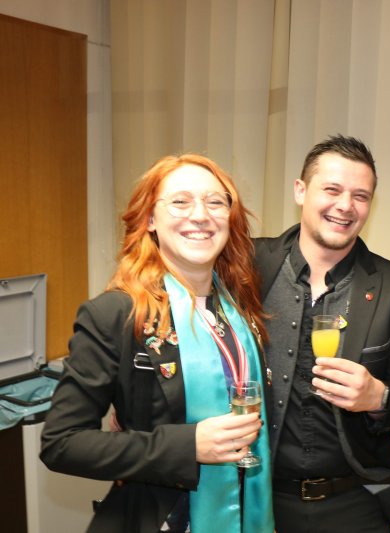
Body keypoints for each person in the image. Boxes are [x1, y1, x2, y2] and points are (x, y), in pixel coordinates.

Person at [40, 154, 273, 532]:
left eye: (215, 202)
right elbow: (62, 443)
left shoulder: (240, 310)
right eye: (180, 201)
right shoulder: (116, 314)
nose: (200, 215)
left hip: (246, 512)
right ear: (150, 219)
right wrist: (187, 446)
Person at [253, 135, 390, 532]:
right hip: (258, 496)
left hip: (354, 501)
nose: (346, 205)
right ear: (301, 191)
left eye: (360, 196)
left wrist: (378, 398)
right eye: (332, 190)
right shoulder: (248, 264)